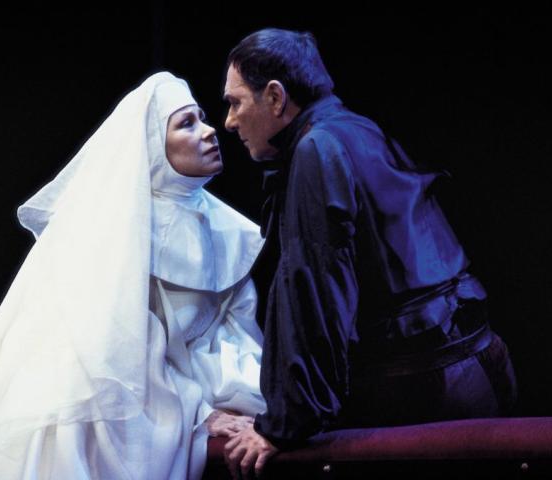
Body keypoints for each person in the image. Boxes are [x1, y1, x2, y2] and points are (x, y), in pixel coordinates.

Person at [0, 72, 267, 480]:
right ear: (151, 146)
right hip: (106, 399)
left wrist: (234, 397)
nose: (209, 131)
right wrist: (199, 412)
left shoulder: (229, 232)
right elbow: (107, 350)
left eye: (201, 118)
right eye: (186, 123)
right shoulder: (112, 229)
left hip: (182, 389)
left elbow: (235, 334)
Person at [221, 28, 518, 477]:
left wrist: (283, 426)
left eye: (236, 102)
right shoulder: (351, 126)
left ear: (276, 98)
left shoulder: (318, 148)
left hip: (431, 389)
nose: (229, 121)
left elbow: (316, 293)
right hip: (475, 365)